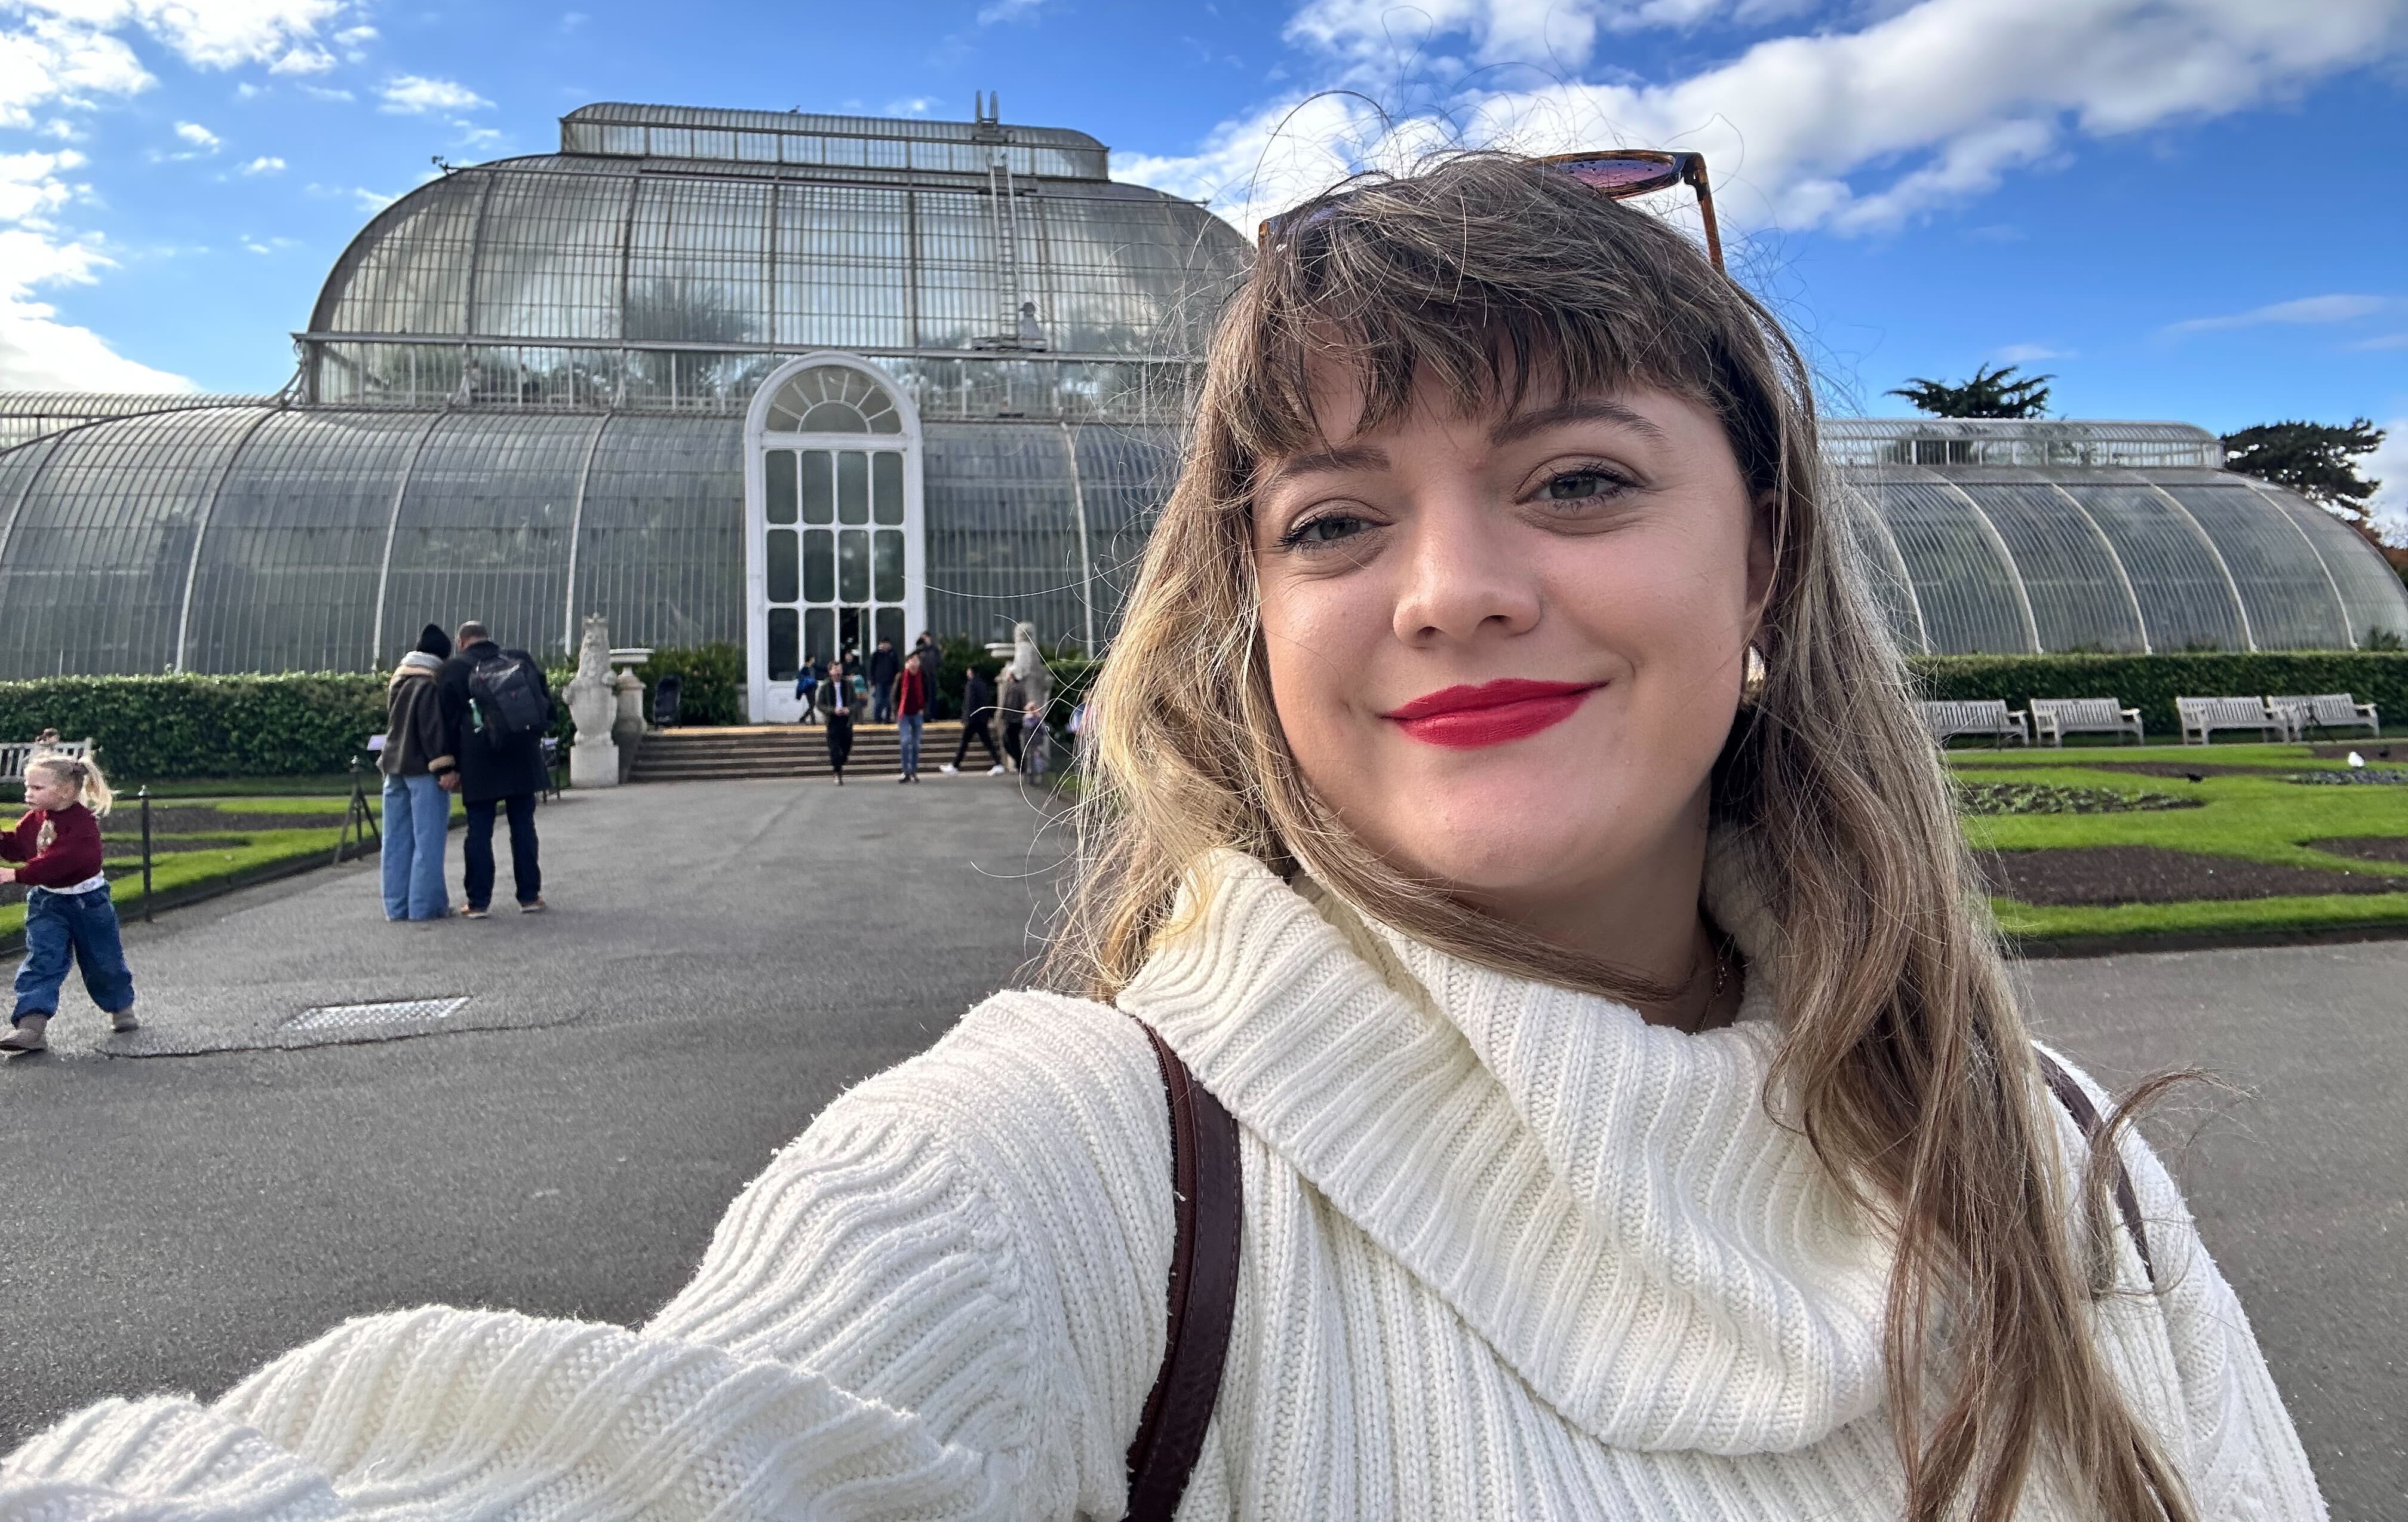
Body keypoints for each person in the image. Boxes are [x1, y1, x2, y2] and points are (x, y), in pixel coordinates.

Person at [0, 154, 2321, 1519]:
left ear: (1774, 566)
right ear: (1249, 618)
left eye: (1582, 480)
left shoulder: (2040, 1150)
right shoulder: (1077, 1163)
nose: (1451, 585)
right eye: (1332, 520)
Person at [1, 753, 134, 1051]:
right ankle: (31, 1026)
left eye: (37, 788)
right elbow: (21, 847)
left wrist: (15, 875)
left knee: (103, 961)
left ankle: (121, 1007)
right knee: (42, 960)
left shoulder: (81, 825)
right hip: (48, 903)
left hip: (89, 903)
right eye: (28, 786)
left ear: (64, 791)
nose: (28, 793)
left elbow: (62, 861)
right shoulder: (35, 820)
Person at [435, 620, 553, 917]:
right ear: (488, 638)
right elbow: (544, 706)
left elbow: (446, 724)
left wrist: (449, 766)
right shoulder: (519, 660)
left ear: (461, 641)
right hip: (521, 756)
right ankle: (529, 896)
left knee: (479, 831)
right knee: (523, 826)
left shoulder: (452, 670)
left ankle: (478, 902)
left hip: (479, 761)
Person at [377, 624, 455, 922]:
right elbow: (432, 729)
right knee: (428, 842)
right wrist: (446, 767)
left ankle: (396, 908)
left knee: (395, 842)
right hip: (422, 770)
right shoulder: (429, 684)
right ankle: (425, 907)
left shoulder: (398, 681)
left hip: (393, 767)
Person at [996, 620, 1051, 772]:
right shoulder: (1032, 648)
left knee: (1016, 736)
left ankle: (1024, 764)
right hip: (1031, 694)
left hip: (1027, 698)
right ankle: (1025, 764)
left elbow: (1021, 668)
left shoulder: (1024, 647)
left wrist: (1009, 670)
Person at [940, 660, 1004, 774]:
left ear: (971, 672)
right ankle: (998, 764)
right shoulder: (983, 684)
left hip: (973, 719)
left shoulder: (971, 685)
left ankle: (955, 766)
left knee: (965, 742)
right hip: (981, 719)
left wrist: (966, 718)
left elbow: (969, 703)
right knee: (986, 742)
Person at [893, 645, 928, 783]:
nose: (915, 662)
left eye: (917, 660)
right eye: (912, 660)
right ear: (907, 663)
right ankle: (905, 771)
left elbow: (928, 693)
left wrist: (924, 708)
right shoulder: (901, 676)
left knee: (915, 743)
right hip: (904, 714)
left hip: (917, 713)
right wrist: (896, 710)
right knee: (905, 740)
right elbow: (895, 696)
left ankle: (913, 771)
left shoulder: (923, 675)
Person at [816, 660, 855, 784]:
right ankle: (837, 773)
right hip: (832, 720)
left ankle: (841, 761)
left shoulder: (848, 685)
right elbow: (820, 704)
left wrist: (848, 709)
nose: (837, 672)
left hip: (846, 720)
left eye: (839, 669)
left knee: (846, 745)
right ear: (830, 671)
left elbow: (856, 702)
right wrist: (832, 710)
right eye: (835, 669)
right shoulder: (825, 686)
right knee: (834, 749)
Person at [911, 631, 945, 717]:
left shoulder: (934, 649)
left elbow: (939, 661)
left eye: (925, 637)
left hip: (931, 676)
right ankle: (922, 714)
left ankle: (932, 714)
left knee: (931, 696)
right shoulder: (919, 650)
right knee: (921, 696)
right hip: (921, 676)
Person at [866, 637, 899, 723]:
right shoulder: (876, 655)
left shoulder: (893, 654)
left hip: (890, 682)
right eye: (883, 644)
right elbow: (872, 668)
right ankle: (878, 718)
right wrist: (872, 681)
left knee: (889, 701)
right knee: (879, 700)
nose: (885, 646)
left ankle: (887, 718)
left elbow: (896, 668)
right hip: (879, 681)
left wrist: (897, 681)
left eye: (887, 644)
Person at [793, 655, 820, 726]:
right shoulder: (804, 669)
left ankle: (803, 718)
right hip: (808, 689)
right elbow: (800, 677)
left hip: (813, 688)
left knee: (812, 704)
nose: (814, 660)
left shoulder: (813, 667)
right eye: (813, 659)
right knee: (812, 704)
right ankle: (813, 721)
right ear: (810, 660)